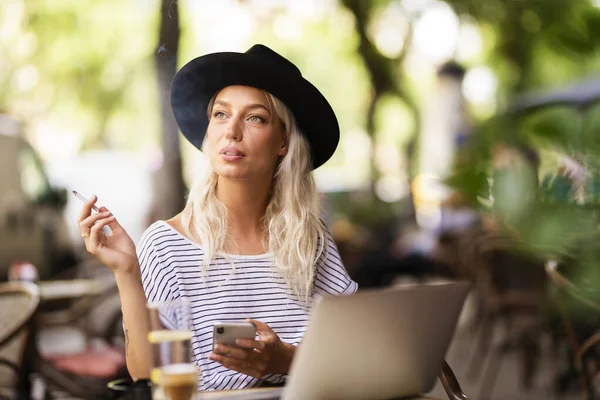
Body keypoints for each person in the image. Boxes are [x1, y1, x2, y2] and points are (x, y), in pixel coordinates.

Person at [77, 44, 358, 391]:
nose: (232, 131)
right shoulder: (166, 244)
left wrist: (283, 360)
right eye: (221, 115)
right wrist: (126, 271)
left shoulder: (310, 239)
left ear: (283, 142)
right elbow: (147, 374)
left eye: (255, 117)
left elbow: (350, 354)